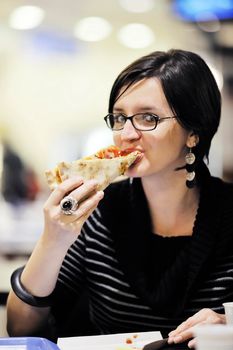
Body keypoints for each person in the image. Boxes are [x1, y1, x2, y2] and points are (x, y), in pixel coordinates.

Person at [7, 49, 233, 348]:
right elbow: (21, 327)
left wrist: (229, 324)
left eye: (147, 118)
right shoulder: (100, 209)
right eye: (119, 117)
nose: (125, 134)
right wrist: (53, 238)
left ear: (193, 132)